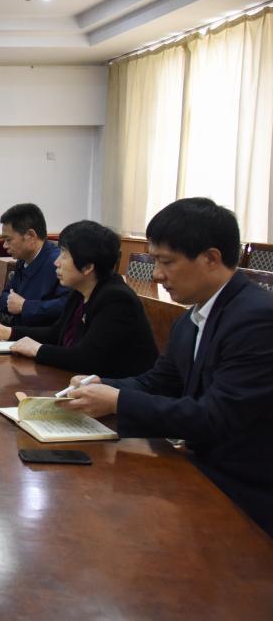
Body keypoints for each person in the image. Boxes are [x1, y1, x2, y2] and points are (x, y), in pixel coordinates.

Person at [59, 198, 273, 535]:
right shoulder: (190, 319)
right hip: (198, 467)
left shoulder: (257, 319)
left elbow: (216, 417)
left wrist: (118, 401)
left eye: (167, 262)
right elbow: (159, 381)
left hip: (243, 489)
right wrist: (103, 385)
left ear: (211, 258)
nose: (157, 274)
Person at [0, 220, 158, 377]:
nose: (56, 262)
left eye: (64, 256)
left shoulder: (116, 299)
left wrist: (38, 349)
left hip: (116, 393)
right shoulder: (79, 291)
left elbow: (86, 358)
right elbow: (56, 333)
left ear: (87, 267)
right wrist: (9, 332)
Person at [0, 203, 68, 326]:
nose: (4, 246)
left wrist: (25, 306)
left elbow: (67, 305)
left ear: (31, 236)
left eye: (8, 240)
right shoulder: (23, 259)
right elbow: (5, 296)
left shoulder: (59, 263)